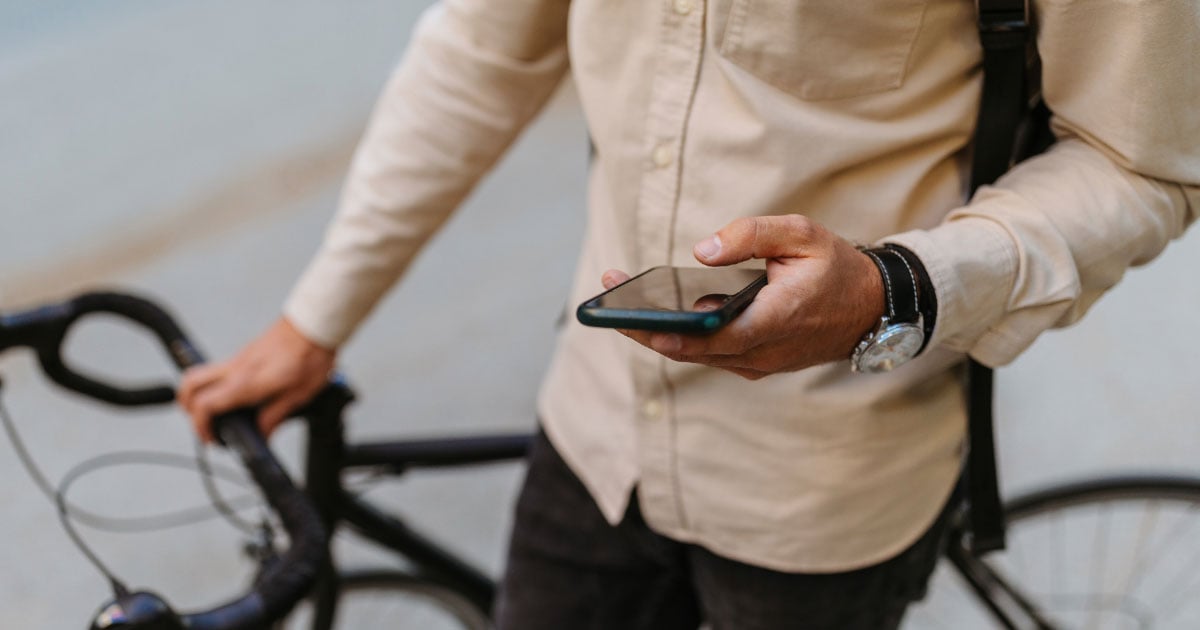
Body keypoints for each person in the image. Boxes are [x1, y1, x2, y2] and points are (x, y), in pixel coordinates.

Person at [178, 1, 1199, 628]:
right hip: (596, 427)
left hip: (830, 480)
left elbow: (1140, 162)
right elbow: (483, 53)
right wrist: (312, 323)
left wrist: (894, 287)